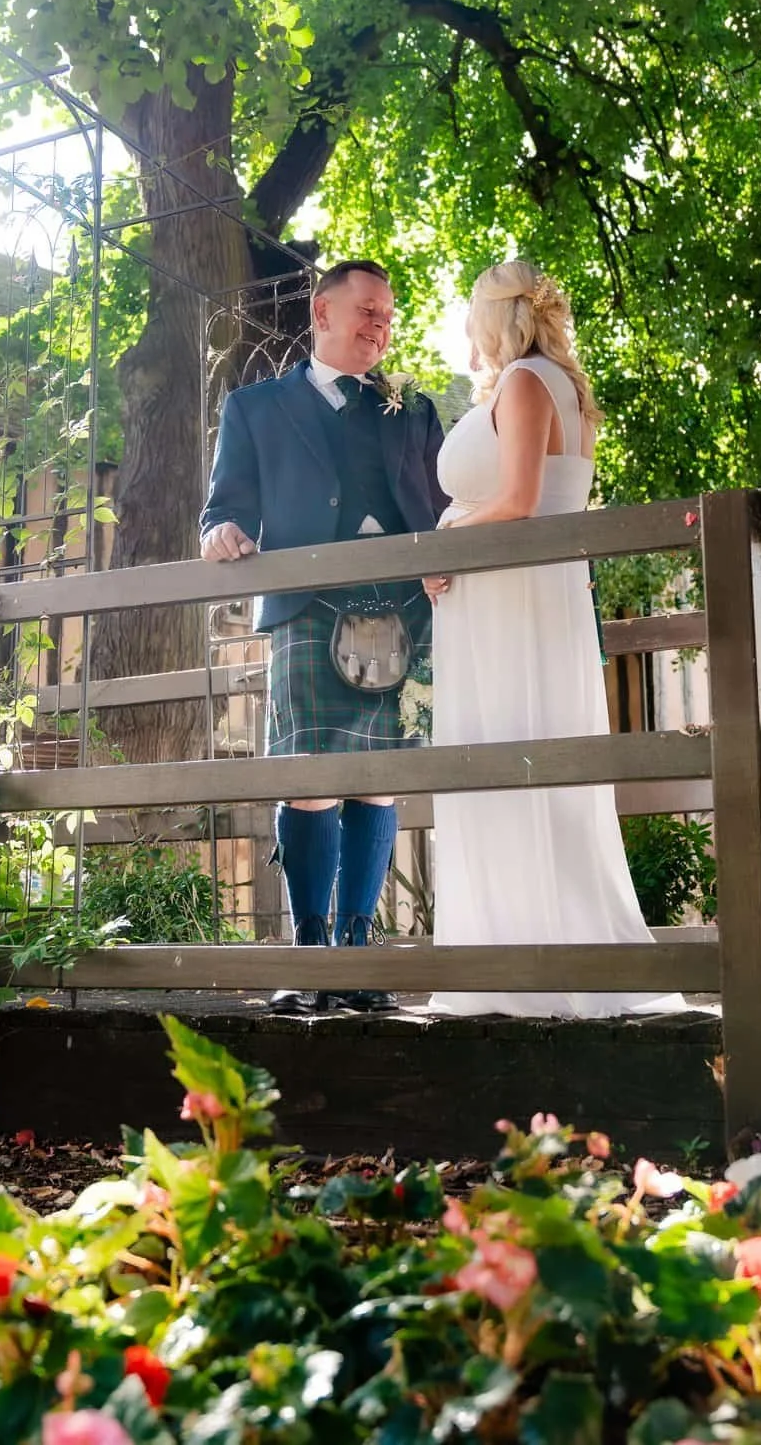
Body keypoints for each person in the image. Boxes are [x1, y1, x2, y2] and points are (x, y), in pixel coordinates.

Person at [421, 261, 686, 1018]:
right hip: (520, 594)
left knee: (515, 750)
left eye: (471, 316)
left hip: (514, 596)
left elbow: (519, 499)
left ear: (494, 317)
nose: (467, 332)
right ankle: (514, 949)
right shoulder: (553, 384)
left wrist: (445, 538)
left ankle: (529, 964)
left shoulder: (526, 382)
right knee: (516, 753)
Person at [201, 260, 449, 1013]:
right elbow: (223, 507)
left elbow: (445, 506)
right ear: (322, 312)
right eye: (368, 310)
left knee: (380, 779)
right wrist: (220, 532)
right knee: (307, 777)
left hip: (405, 605)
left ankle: (357, 958)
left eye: (388, 317)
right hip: (309, 603)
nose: (381, 326)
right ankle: (310, 959)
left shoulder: (413, 408)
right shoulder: (255, 407)